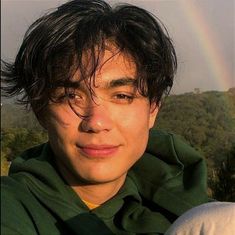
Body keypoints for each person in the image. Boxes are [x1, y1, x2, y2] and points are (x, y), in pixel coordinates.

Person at [1, 0, 209, 234]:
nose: (96, 122)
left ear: (153, 109)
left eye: (121, 95)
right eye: (71, 96)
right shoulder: (10, 209)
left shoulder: (193, 212)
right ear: (41, 110)